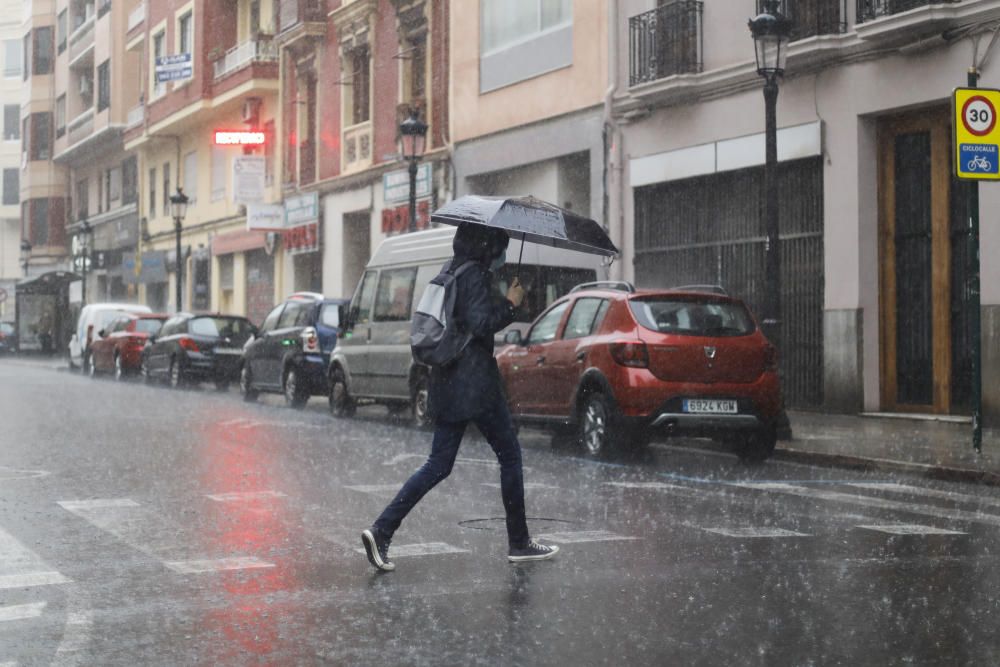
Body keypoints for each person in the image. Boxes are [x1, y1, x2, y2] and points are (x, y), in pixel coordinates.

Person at [362, 223, 559, 572]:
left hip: (447, 379)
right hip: (476, 384)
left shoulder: (450, 269)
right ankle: (519, 542)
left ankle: (382, 530)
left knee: (438, 464)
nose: (502, 255)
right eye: (500, 246)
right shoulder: (475, 275)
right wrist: (511, 304)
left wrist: (498, 298)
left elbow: (464, 321)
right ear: (488, 246)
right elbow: (481, 323)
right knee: (510, 455)